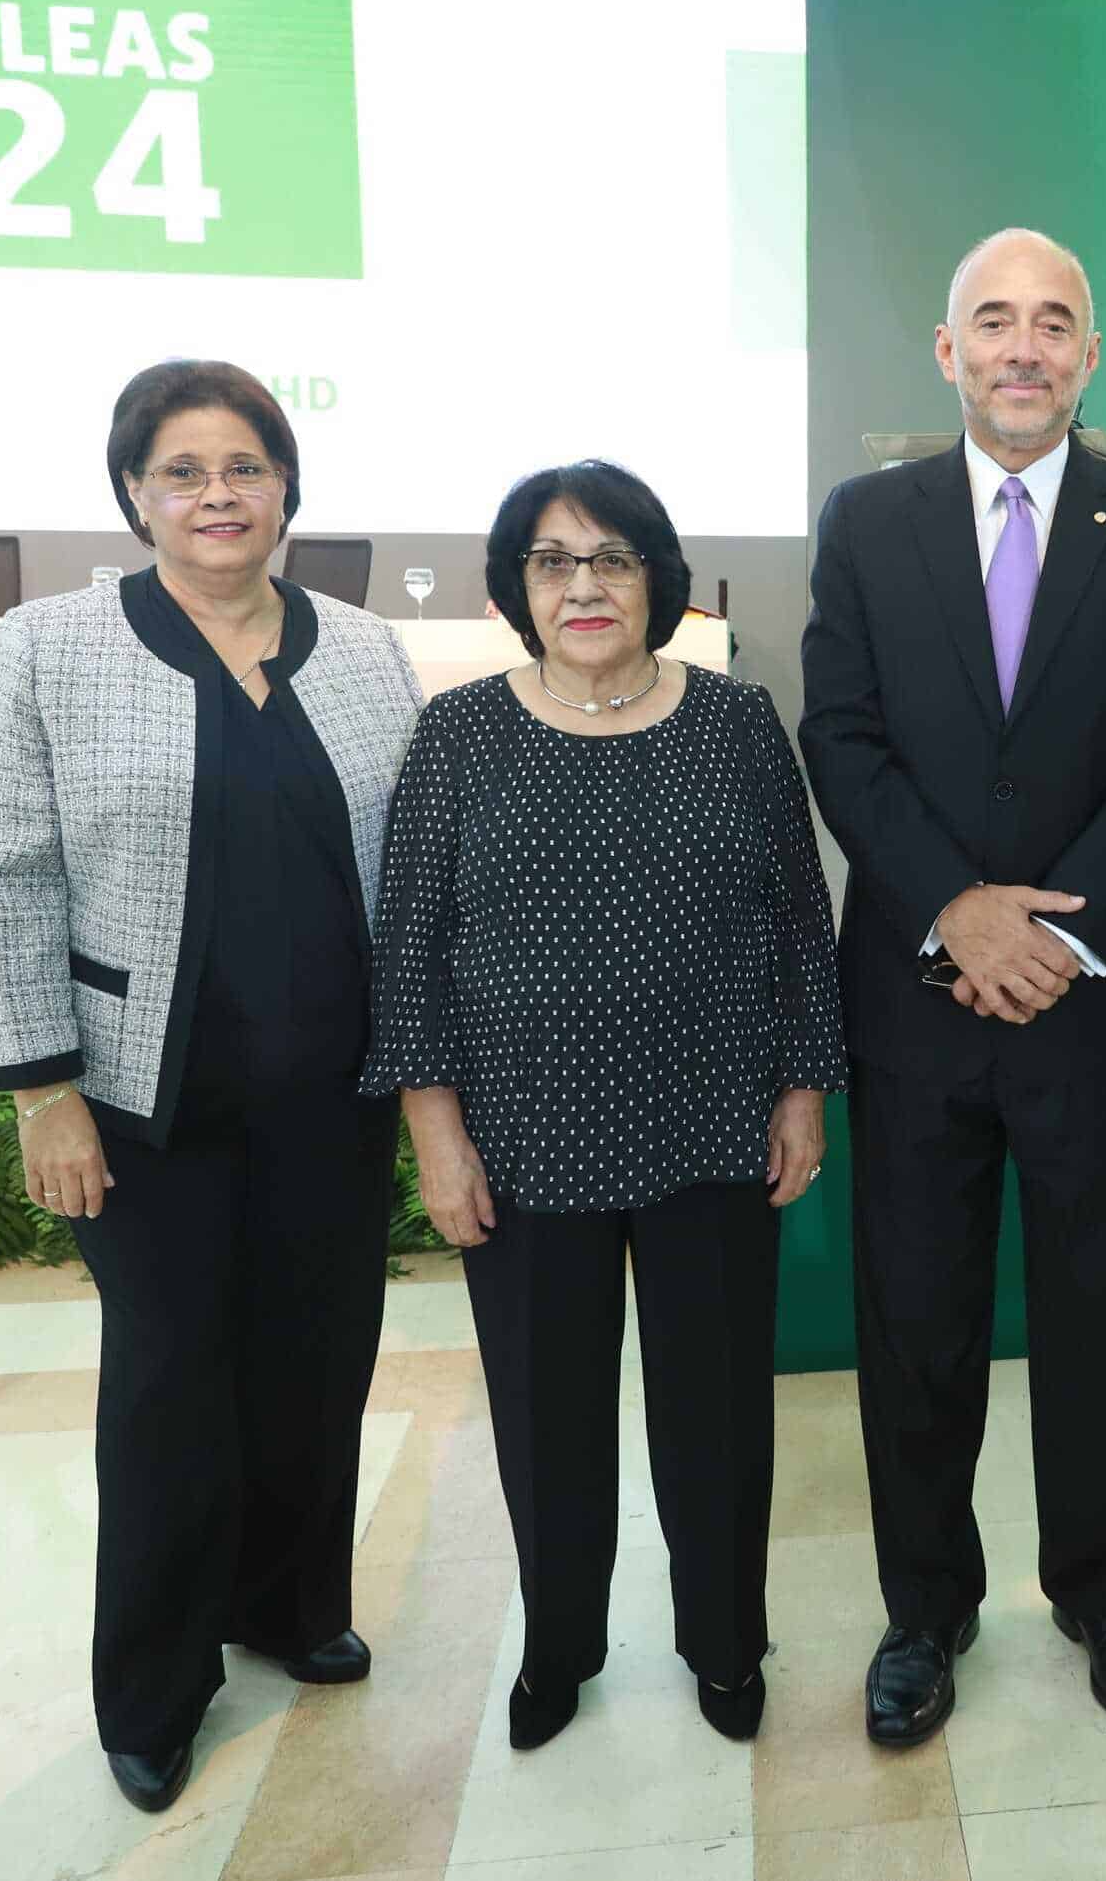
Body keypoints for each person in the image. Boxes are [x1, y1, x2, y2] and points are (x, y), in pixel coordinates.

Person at [0, 359, 425, 1813]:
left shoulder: (360, 646)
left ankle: (285, 1604)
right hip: (142, 1104)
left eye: (245, 466)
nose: (218, 494)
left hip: (326, 1099)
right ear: (134, 494)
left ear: (288, 486)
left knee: (313, 1362)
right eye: (182, 470)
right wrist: (42, 1090)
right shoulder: (53, 646)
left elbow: (409, 866)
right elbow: (2, 866)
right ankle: (153, 1686)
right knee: (169, 1389)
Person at [799, 228, 1106, 1746]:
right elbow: (840, 735)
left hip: (1091, 999)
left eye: (1055, 322)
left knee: (1101, 1312)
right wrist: (957, 912)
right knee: (915, 1315)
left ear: (1091, 354)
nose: (1024, 347)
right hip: (918, 996)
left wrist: (1054, 928)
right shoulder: (868, 520)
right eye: (995, 321)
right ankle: (924, 1609)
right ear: (946, 351)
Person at [362, 461, 842, 1751]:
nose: (585, 585)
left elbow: (801, 925)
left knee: (721, 1414)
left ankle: (726, 1645)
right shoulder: (460, 732)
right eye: (553, 560)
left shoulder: (739, 724)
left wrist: (803, 1088)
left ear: (660, 581)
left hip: (713, 1123)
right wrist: (435, 1130)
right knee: (545, 1416)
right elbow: (409, 950)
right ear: (519, 586)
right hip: (522, 1141)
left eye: (614, 558)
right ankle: (561, 1643)